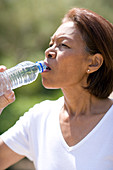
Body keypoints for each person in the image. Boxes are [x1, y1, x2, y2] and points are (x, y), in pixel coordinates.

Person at [0, 7, 113, 170]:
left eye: (63, 45)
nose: (48, 51)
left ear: (93, 63)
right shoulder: (39, 118)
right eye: (51, 43)